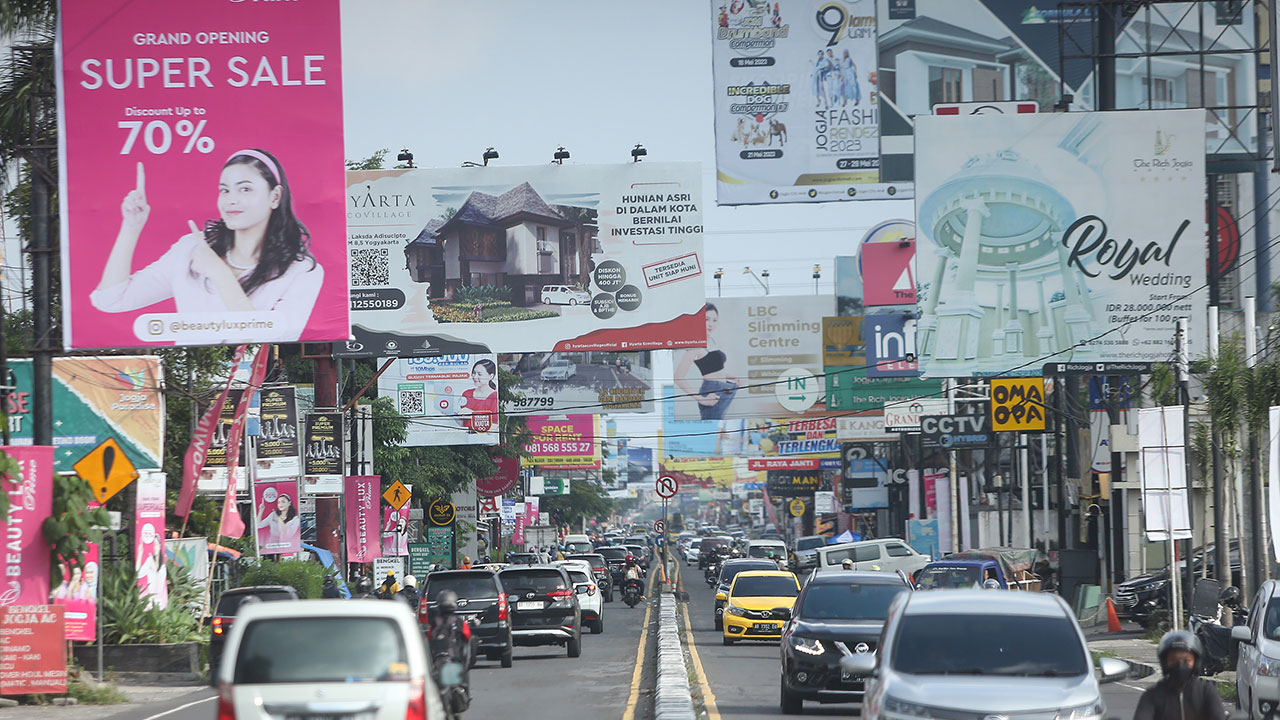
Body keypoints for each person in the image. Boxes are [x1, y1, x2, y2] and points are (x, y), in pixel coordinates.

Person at [92, 151, 324, 342]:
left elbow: (270, 338)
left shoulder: (302, 271)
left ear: (275, 196)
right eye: (224, 190)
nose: (231, 199)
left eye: (245, 188)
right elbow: (112, 299)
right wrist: (131, 227)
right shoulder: (192, 248)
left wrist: (220, 274)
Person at [1134, 630, 1225, 720]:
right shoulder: (1153, 695)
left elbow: (1218, 717)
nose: (1180, 665)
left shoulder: (1205, 692)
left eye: (1186, 660)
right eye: (1174, 660)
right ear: (1165, 662)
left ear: (1195, 662)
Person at [675, 303, 738, 420]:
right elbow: (678, 377)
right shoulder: (695, 346)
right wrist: (702, 399)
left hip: (726, 389)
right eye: (706, 319)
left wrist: (732, 377)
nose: (711, 324)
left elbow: (713, 369)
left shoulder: (712, 340)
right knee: (712, 429)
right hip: (712, 391)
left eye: (714, 320)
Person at [460, 359, 498, 434]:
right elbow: (463, 423)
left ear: (491, 376)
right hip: (466, 439)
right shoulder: (467, 394)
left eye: (479, 374)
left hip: (486, 439)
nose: (475, 376)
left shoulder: (495, 397)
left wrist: (473, 415)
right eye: (473, 373)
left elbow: (495, 427)